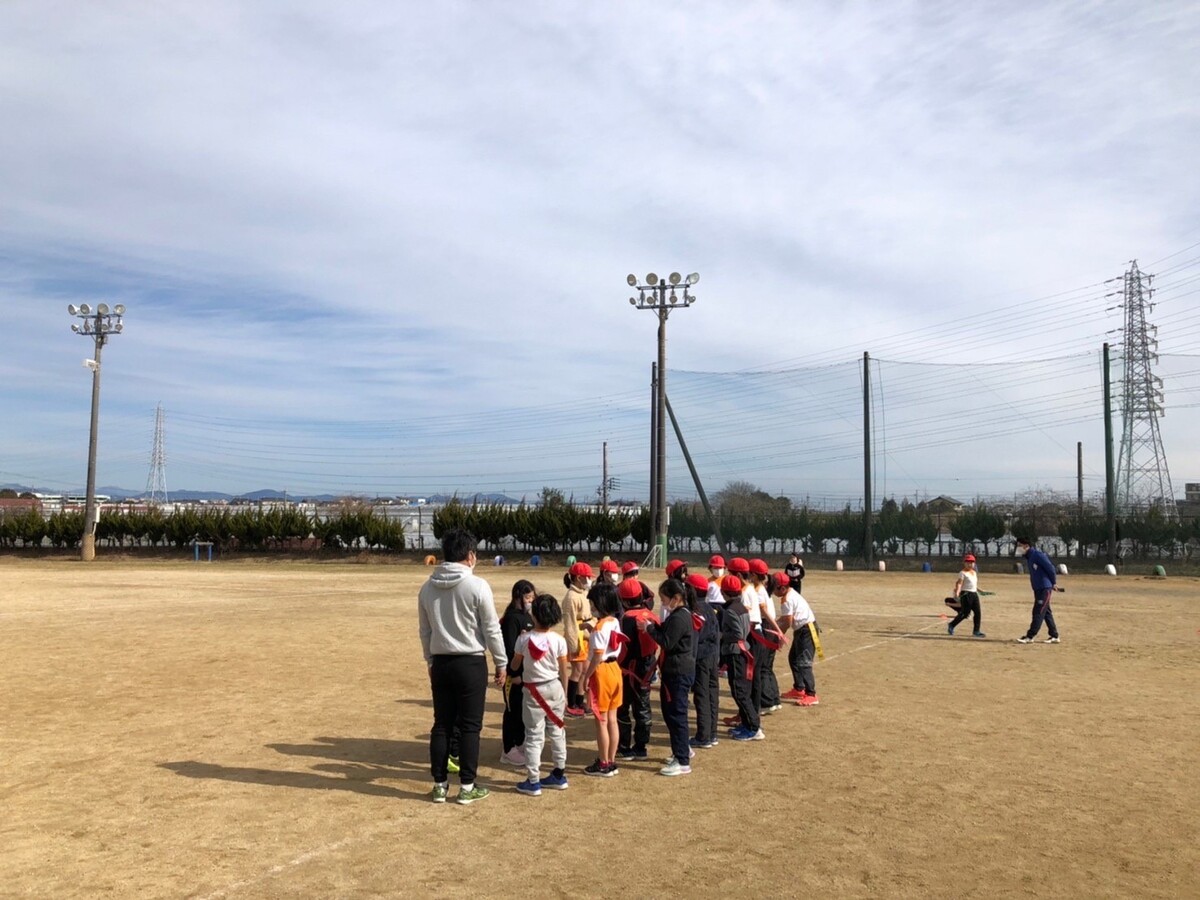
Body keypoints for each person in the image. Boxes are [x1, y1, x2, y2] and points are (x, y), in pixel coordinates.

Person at [418, 528, 507, 805]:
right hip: (470, 662)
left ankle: (440, 785)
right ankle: (467, 787)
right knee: (470, 727)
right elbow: (492, 629)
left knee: (441, 724)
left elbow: (425, 631)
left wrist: (430, 661)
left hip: (441, 662)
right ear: (470, 555)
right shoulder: (478, 586)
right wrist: (501, 661)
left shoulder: (427, 587)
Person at [510, 593, 570, 796]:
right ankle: (559, 773)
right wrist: (566, 692)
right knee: (557, 730)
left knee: (534, 735)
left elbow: (514, 665)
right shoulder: (559, 640)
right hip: (554, 687)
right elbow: (564, 671)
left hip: (533, 690)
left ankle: (533, 780)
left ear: (533, 614)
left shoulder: (524, 639)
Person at [638, 578, 697, 775]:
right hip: (675, 671)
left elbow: (667, 641)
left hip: (678, 672)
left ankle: (682, 760)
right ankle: (681, 749)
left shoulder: (680, 617)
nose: (663, 603)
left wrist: (649, 629)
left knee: (676, 714)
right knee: (670, 712)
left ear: (676, 598)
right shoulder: (679, 615)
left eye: (664, 599)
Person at [579, 581, 625, 776]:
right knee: (612, 720)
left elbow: (597, 656)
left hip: (602, 673)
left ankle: (603, 762)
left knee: (601, 721)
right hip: (615, 669)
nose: (591, 608)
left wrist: (585, 677)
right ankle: (611, 760)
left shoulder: (599, 627)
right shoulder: (614, 621)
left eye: (593, 604)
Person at [615, 577, 658, 762]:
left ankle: (624, 746)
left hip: (629, 669)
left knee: (623, 708)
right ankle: (641, 746)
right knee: (643, 707)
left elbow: (624, 648)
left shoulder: (627, 619)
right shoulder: (651, 615)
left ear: (623, 600)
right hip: (648, 667)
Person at [718, 575, 762, 741]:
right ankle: (746, 722)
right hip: (742, 651)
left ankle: (754, 726)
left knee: (740, 692)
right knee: (742, 690)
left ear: (724, 592)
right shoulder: (741, 606)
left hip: (736, 652)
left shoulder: (730, 611)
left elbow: (738, 634)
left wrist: (721, 635)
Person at [499, 579, 536, 767]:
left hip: (528, 674)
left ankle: (520, 742)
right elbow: (509, 648)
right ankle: (508, 749)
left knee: (523, 710)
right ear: (518, 597)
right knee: (512, 710)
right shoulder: (512, 618)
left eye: (532, 597)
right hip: (514, 675)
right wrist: (513, 674)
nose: (530, 601)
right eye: (527, 597)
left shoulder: (529, 617)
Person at [775, 573, 821, 706]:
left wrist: (780, 637)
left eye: (774, 588)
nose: (772, 591)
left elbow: (787, 622)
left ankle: (811, 694)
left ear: (782, 588)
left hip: (806, 630)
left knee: (803, 663)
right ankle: (799, 688)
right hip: (802, 629)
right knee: (793, 658)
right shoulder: (790, 592)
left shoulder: (786, 600)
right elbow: (785, 618)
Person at [686, 573, 720, 749]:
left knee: (701, 695)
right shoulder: (710, 608)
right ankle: (712, 733)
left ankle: (703, 735)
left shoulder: (694, 611)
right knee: (712, 693)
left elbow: (693, 638)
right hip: (713, 656)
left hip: (701, 657)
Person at [561, 561, 595, 716]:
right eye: (587, 577)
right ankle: (572, 702)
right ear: (579, 578)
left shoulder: (582, 593)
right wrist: (573, 643)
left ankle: (580, 700)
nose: (589, 580)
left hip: (586, 636)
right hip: (577, 636)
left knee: (585, 670)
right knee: (577, 670)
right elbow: (569, 622)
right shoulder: (571, 597)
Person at [1015, 537, 1062, 644]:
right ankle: (1054, 635)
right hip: (1038, 588)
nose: (1018, 548)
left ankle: (1030, 636)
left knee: (1038, 611)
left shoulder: (1038, 555)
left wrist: (1053, 583)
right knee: (1046, 612)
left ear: (1026, 546)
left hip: (1044, 588)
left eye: (1019, 546)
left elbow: (1050, 568)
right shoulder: (1029, 557)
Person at [948, 554, 985, 638]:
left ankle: (976, 631)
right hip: (966, 594)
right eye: (968, 562)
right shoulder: (962, 573)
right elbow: (959, 583)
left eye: (972, 562)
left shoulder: (974, 573)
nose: (970, 564)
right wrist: (957, 592)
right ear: (964, 563)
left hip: (974, 594)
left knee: (978, 613)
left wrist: (980, 590)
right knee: (965, 613)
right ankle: (951, 625)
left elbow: (973, 584)